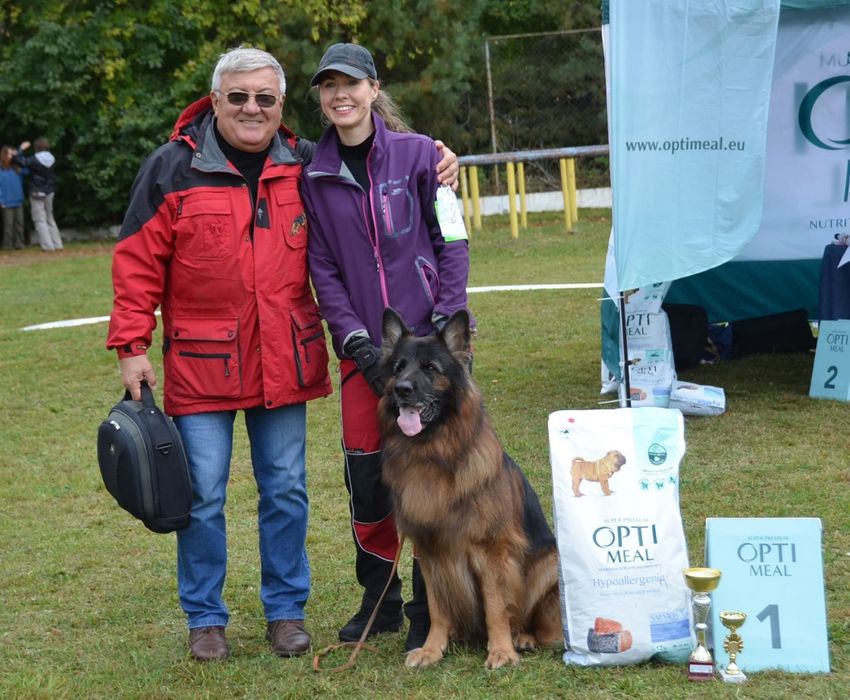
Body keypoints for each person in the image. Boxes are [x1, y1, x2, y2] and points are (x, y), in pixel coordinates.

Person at [106, 45, 458, 663]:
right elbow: (137, 262)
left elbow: (374, 155)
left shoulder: (303, 163)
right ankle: (206, 619)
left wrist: (441, 156)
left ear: (281, 105)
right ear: (214, 101)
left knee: (287, 490)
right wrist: (130, 343)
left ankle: (286, 613)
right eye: (238, 96)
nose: (251, 108)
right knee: (204, 495)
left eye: (265, 98)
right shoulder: (170, 169)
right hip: (201, 364)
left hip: (283, 361)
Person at [302, 43, 472, 653]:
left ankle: (433, 603)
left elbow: (451, 236)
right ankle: (380, 600)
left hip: (428, 347)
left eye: (351, 84)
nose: (339, 95)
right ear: (320, 98)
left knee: (438, 473)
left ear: (374, 88)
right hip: (364, 356)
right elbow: (322, 267)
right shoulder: (314, 174)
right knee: (369, 477)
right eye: (328, 87)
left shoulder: (423, 155)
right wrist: (357, 343)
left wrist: (449, 319)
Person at [14, 137, 63, 251]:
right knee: (50, 217)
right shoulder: (52, 158)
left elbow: (19, 161)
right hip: (50, 191)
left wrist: (21, 148)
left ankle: (48, 246)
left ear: (36, 148)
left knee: (40, 219)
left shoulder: (34, 159)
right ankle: (57, 244)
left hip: (37, 191)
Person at [0, 145, 27, 250]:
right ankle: (7, 245)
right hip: (6, 202)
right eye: (9, 154)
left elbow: (27, 171)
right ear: (4, 155)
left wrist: (19, 154)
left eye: (12, 154)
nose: (11, 156)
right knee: (8, 225)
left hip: (18, 200)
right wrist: (1, 200)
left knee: (19, 224)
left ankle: (19, 244)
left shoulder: (17, 168)